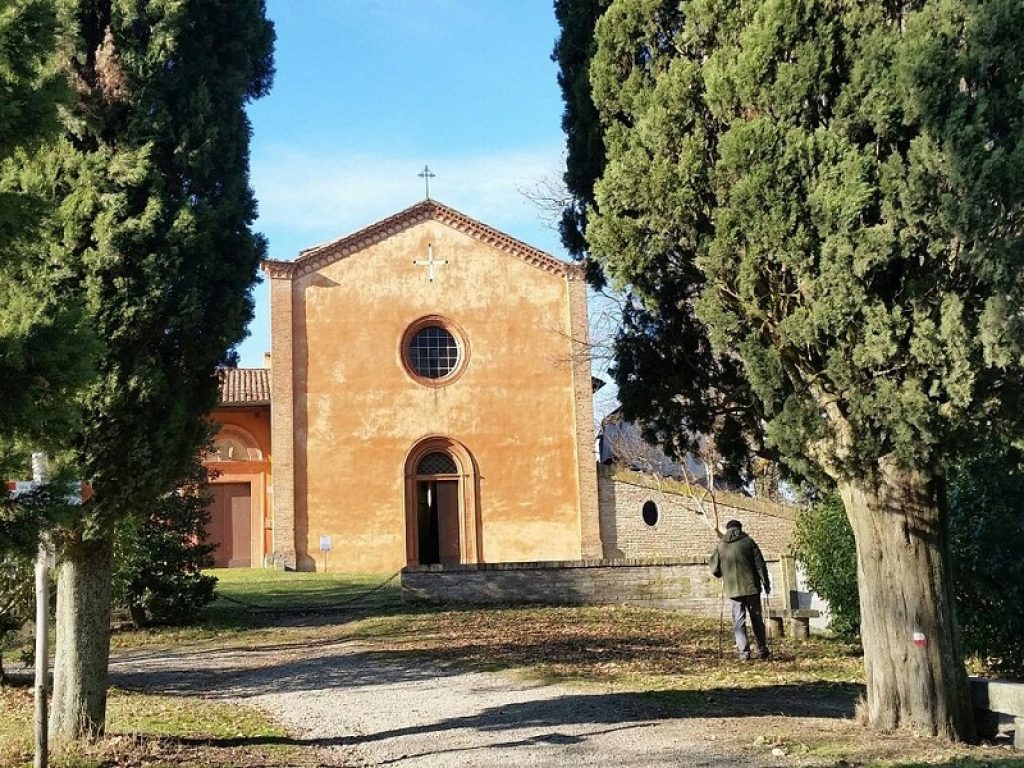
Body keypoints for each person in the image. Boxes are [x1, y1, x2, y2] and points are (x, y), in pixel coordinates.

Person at [709, 519, 771, 661]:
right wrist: (766, 583)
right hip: (751, 588)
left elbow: (714, 568)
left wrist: (720, 574)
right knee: (756, 619)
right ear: (740, 528)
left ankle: (744, 653)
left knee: (738, 621)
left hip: (733, 590)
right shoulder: (749, 542)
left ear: (727, 530)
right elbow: (760, 565)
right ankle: (761, 649)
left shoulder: (721, 545)